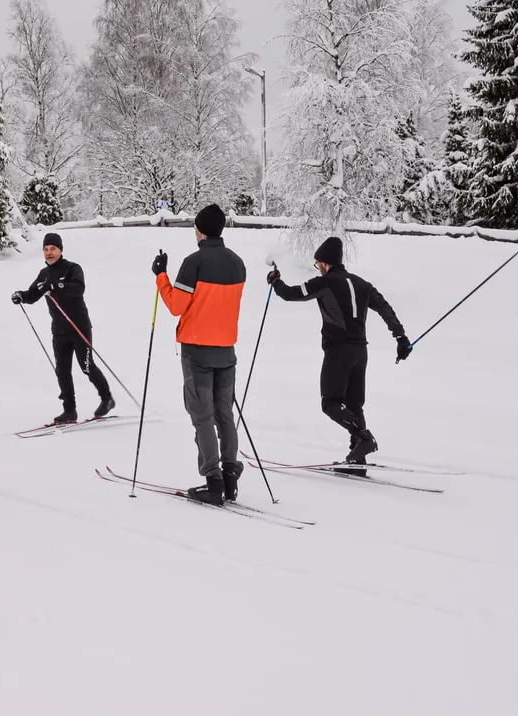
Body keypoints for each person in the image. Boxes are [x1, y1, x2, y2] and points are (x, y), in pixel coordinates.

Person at [266, 236, 411, 470]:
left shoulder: (325, 282)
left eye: (318, 263)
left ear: (324, 262)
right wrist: (400, 337)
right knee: (354, 405)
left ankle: (363, 438)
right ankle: (357, 458)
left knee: (331, 403)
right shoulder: (362, 284)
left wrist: (275, 282)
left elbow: (292, 293)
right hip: (360, 352)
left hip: (338, 352)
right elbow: (384, 307)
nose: (318, 268)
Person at [151, 204, 246, 506]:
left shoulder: (194, 263)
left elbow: (176, 306)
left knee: (202, 416)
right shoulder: (238, 263)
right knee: (224, 414)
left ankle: (213, 481)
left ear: (200, 230)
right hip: (226, 350)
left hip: (197, 351)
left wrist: (160, 275)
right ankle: (230, 477)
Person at [11, 233, 114, 425]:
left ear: (60, 250)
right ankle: (69, 410)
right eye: (46, 249)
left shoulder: (73, 269)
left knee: (86, 366)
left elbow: (78, 289)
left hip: (78, 326)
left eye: (53, 249)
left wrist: (57, 286)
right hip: (59, 330)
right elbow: (33, 295)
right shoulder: (43, 274)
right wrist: (21, 296)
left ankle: (107, 399)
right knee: (62, 370)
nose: (49, 253)